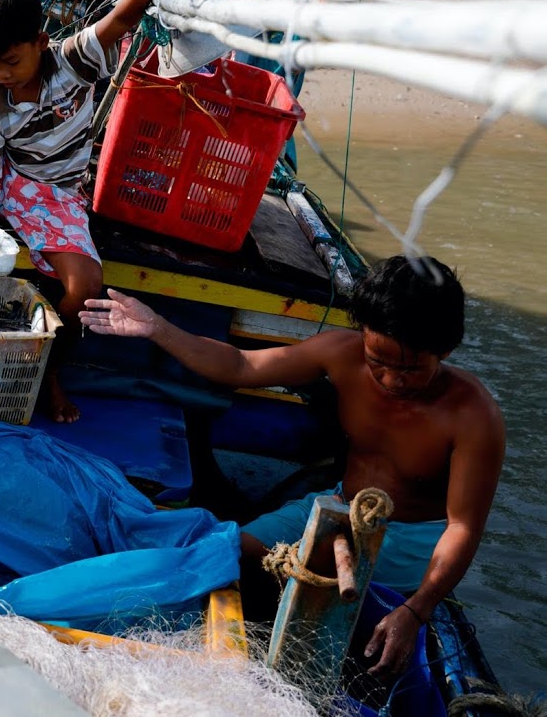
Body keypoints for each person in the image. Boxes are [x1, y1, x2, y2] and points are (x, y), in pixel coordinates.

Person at [79, 255, 505, 677]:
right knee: (225, 554)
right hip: (333, 506)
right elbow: (240, 365)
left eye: (411, 370)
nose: (392, 380)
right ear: (363, 335)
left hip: (410, 544)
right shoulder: (341, 353)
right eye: (379, 363)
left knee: (342, 616)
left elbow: (462, 527)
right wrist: (158, 328)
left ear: (445, 350)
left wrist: (416, 611)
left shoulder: (473, 415)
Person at [0, 0, 214, 423]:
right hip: (0, 177)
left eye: (11, 62)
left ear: (40, 43)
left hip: (58, 191)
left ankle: (46, 367)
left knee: (84, 287)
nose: (1, 74)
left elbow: (121, 22)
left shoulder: (73, 60)